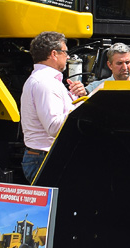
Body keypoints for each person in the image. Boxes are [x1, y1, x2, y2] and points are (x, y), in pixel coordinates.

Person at [20, 31, 86, 182]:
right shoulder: (46, 83)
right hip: (45, 158)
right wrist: (82, 106)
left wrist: (78, 98)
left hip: (42, 157)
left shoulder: (43, 80)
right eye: (65, 52)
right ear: (54, 54)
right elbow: (54, 127)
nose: (68, 57)